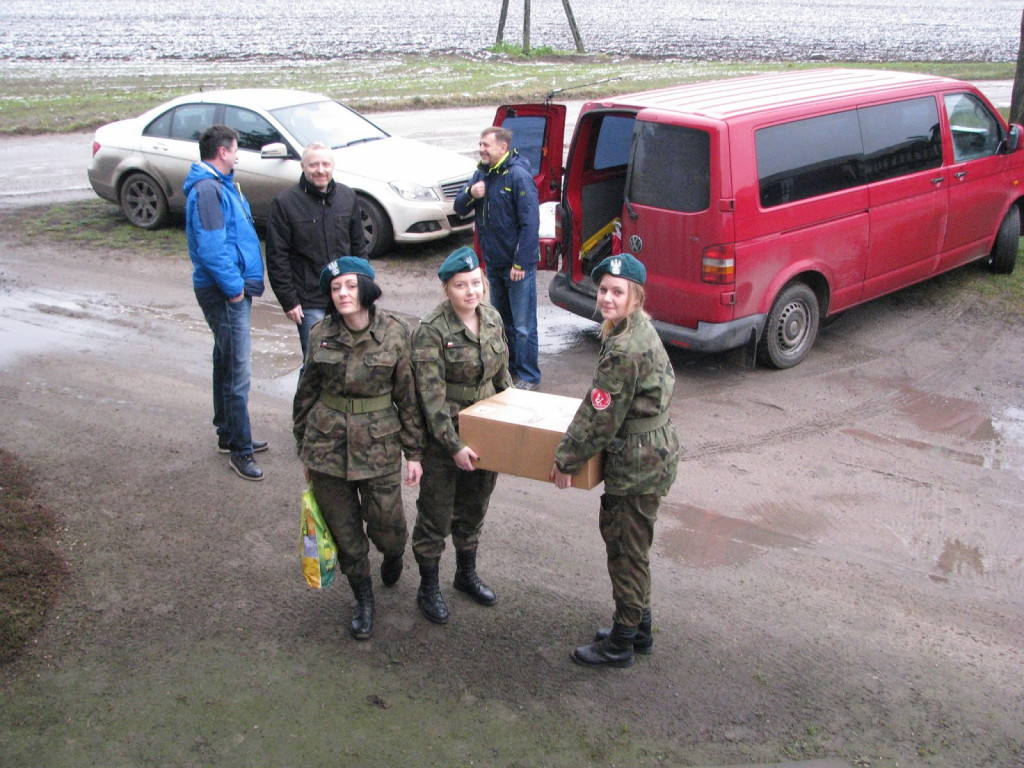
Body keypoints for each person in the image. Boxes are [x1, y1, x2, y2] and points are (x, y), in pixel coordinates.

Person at [550, 253, 679, 668]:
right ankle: (638, 627)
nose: (607, 298)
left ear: (635, 296)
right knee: (634, 544)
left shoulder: (624, 346)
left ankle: (622, 642)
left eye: (617, 292)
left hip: (638, 460)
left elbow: (600, 415)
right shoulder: (635, 328)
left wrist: (566, 459)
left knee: (625, 547)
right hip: (652, 450)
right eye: (603, 290)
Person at [293, 256, 424, 641]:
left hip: (379, 446)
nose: (343, 294)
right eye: (335, 288)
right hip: (326, 446)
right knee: (345, 532)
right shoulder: (320, 333)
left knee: (388, 527)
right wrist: (304, 449)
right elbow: (305, 394)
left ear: (366, 288)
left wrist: (414, 453)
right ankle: (363, 598)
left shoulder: (395, 333)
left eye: (350, 286)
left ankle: (394, 555)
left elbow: (409, 398)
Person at [410, 246, 512, 624]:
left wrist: (512, 423)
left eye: (475, 283)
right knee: (436, 514)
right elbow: (430, 398)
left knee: (474, 507)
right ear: (447, 289)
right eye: (460, 285)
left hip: (485, 430)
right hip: (444, 439)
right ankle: (428, 586)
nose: (470, 292)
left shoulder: (492, 318)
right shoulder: (431, 330)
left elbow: (502, 377)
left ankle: (465, 574)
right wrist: (454, 445)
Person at [184, 124, 268, 482]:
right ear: (222, 152)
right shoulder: (208, 190)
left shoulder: (219, 185)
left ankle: (228, 433)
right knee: (237, 370)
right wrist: (234, 288)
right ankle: (240, 450)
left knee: (225, 359)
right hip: (224, 291)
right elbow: (211, 246)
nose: (237, 155)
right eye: (235, 149)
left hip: (227, 287)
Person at [454, 126, 541, 391]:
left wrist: (520, 263)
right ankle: (509, 369)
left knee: (523, 325)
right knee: (502, 322)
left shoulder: (518, 176)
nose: (481, 149)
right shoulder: (481, 175)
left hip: (517, 266)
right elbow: (459, 208)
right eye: (480, 144)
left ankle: (529, 375)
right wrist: (471, 194)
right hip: (494, 264)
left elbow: (530, 224)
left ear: (502, 148)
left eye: (486, 145)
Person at [265, 142, 367, 369]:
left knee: (352, 357)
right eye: (314, 165)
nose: (320, 170)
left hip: (347, 294)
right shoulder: (285, 203)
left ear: (332, 166)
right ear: (303, 166)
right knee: (316, 362)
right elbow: (277, 257)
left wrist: (363, 286)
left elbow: (359, 246)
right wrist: (289, 301)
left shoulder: (347, 196)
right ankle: (308, 394)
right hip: (309, 299)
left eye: (325, 164)